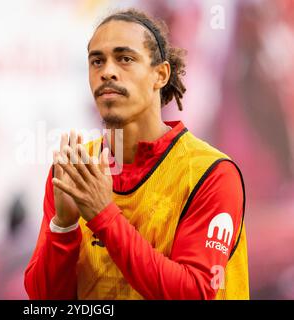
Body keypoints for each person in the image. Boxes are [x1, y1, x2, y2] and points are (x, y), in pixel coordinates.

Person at [24, 9, 249, 300]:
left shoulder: (212, 172)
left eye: (125, 58)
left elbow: (193, 293)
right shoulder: (74, 168)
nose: (107, 71)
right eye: (97, 61)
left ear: (161, 74)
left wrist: (103, 216)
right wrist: (63, 228)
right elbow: (45, 301)